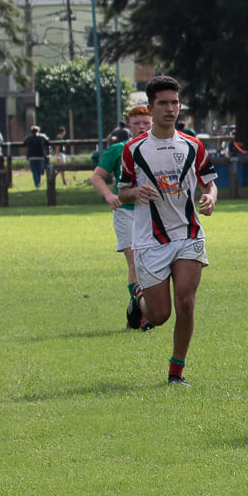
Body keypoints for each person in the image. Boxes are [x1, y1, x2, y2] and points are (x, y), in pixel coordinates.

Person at [119, 77, 217, 386]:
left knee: (185, 302)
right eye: (163, 103)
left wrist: (211, 197)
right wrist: (136, 192)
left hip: (188, 234)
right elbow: (122, 192)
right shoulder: (133, 149)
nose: (170, 108)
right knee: (159, 315)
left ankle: (176, 372)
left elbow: (209, 183)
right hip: (150, 240)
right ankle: (139, 300)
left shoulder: (193, 145)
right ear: (151, 108)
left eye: (174, 102)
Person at [91, 105, 154, 330]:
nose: (141, 127)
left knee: (151, 263)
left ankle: (135, 309)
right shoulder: (118, 149)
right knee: (135, 261)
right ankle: (145, 313)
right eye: (137, 124)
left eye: (146, 123)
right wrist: (109, 195)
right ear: (129, 125)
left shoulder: (159, 149)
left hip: (151, 213)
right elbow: (97, 176)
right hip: (126, 212)